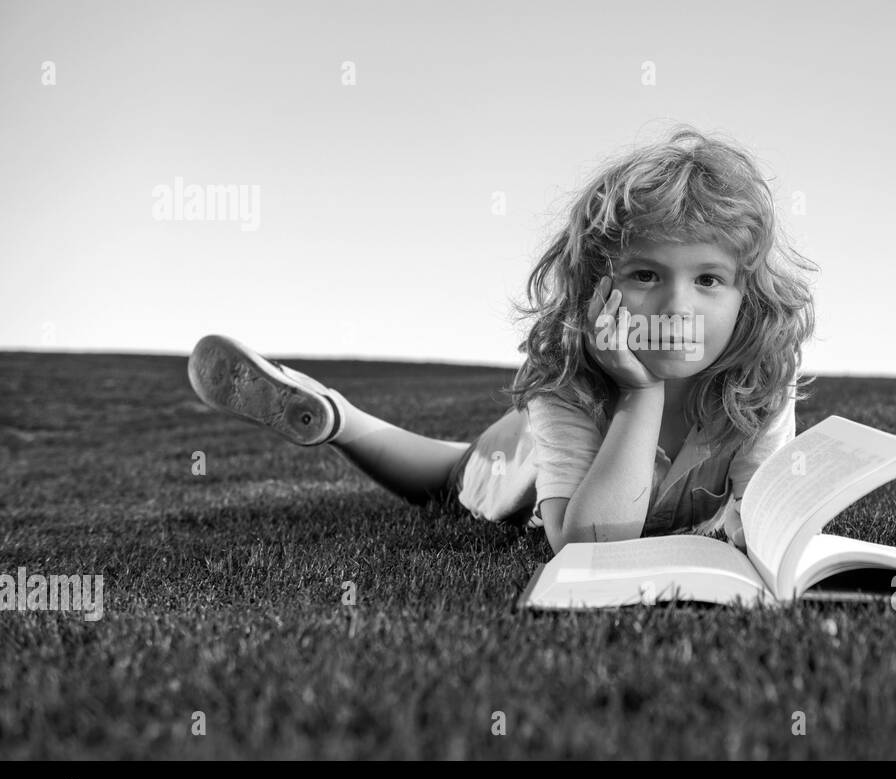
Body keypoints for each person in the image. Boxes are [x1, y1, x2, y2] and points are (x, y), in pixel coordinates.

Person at [187, 125, 818, 555]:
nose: (678, 305)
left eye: (709, 279)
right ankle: (336, 418)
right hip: (529, 457)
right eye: (646, 275)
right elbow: (590, 545)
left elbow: (764, 516)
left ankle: (335, 413)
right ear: (597, 286)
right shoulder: (569, 386)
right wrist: (640, 393)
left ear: (747, 295)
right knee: (451, 473)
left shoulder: (759, 379)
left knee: (452, 461)